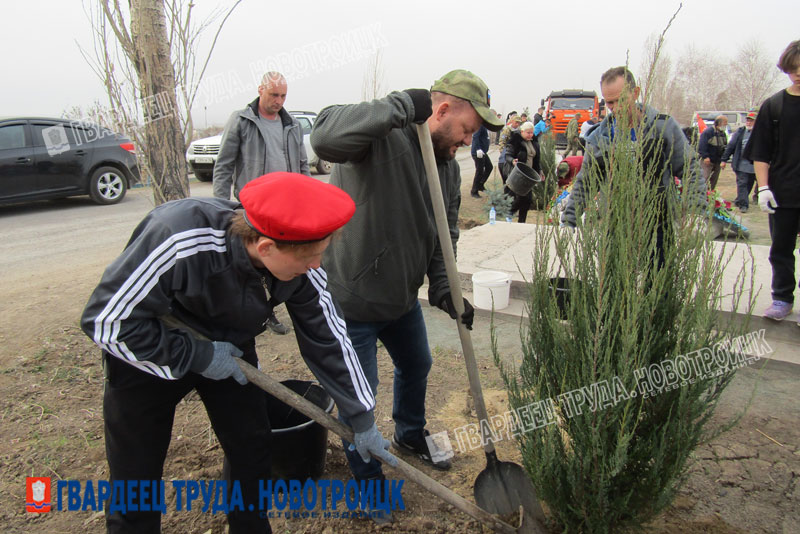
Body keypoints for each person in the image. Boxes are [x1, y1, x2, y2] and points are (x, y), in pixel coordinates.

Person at [81, 172, 396, 534]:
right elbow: (105, 321)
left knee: (252, 446)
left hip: (231, 348)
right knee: (135, 470)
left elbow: (330, 338)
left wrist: (361, 416)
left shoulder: (302, 266)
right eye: (310, 258)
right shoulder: (178, 237)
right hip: (149, 347)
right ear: (265, 247)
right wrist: (198, 356)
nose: (316, 266)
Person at [310, 69, 502, 485]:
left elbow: (444, 231)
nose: (469, 141)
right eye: (467, 129)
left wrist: (445, 285)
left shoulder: (448, 167)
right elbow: (323, 136)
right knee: (360, 397)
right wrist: (399, 105)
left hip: (401, 299)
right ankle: (366, 475)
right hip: (352, 298)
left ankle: (409, 435)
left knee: (417, 363)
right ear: (442, 110)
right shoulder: (379, 140)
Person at [562, 67, 706, 263]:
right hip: (615, 228)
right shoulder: (600, 137)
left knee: (656, 288)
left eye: (621, 100)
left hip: (659, 227)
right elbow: (586, 182)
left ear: (635, 93)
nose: (615, 108)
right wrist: (569, 220)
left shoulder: (662, 128)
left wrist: (695, 212)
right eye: (610, 102)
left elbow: (690, 169)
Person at [212, 71, 308, 335]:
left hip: (286, 207)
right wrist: (220, 206)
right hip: (254, 208)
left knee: (286, 259)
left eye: (283, 95)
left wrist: (306, 197)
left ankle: (274, 309)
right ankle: (255, 313)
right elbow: (224, 165)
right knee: (255, 262)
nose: (279, 100)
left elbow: (302, 165)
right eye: (274, 94)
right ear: (260, 90)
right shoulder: (242, 121)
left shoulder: (293, 125)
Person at [743, 39, 800, 322]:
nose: (798, 73)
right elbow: (761, 153)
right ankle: (782, 297)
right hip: (783, 192)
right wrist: (763, 187)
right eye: (793, 68)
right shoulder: (774, 106)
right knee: (780, 249)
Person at [503, 121, 542, 223]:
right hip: (517, 174)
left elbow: (537, 160)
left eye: (531, 133)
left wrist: (540, 171)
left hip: (529, 175)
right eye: (528, 133)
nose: (530, 135)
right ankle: (510, 214)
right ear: (522, 132)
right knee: (519, 198)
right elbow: (507, 155)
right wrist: (512, 161)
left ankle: (522, 221)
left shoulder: (534, 143)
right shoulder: (515, 141)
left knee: (527, 200)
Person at [722, 109, 758, 212]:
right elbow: (731, 146)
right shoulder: (740, 132)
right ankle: (743, 205)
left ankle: (739, 200)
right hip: (741, 164)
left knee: (749, 184)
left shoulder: (761, 133)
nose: (748, 122)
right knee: (742, 183)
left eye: (751, 121)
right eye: (747, 120)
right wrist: (724, 159)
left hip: (754, 165)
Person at [697, 115, 728, 190]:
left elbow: (724, 146)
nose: (726, 125)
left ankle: (710, 195)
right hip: (707, 161)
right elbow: (702, 145)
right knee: (704, 178)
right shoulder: (708, 132)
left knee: (713, 180)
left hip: (717, 161)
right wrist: (705, 157)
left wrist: (723, 160)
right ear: (718, 123)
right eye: (725, 123)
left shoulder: (723, 134)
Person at [498, 114, 523, 183]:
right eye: (516, 122)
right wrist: (502, 151)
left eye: (519, 123)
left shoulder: (520, 130)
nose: (517, 124)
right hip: (507, 150)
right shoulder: (507, 130)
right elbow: (502, 141)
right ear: (512, 121)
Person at [470, 124, 493, 197]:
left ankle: (480, 184)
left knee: (489, 167)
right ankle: (474, 191)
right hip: (478, 152)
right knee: (479, 171)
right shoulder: (480, 125)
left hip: (483, 152)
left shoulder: (485, 126)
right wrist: (478, 149)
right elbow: (475, 136)